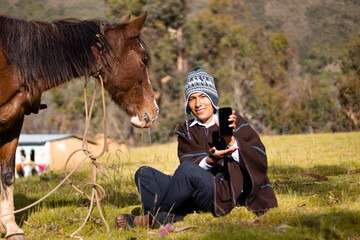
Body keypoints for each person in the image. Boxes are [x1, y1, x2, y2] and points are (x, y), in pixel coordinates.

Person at [116, 67, 277, 229]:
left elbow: (259, 161)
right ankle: (166, 218)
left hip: (220, 193)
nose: (198, 103)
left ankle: (152, 218)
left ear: (212, 98)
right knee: (144, 173)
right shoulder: (186, 130)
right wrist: (209, 160)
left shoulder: (235, 122)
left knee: (188, 169)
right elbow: (187, 166)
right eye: (192, 98)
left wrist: (231, 141)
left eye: (203, 97)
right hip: (189, 193)